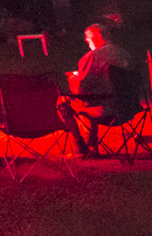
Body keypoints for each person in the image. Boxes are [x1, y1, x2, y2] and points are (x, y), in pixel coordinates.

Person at [58, 22, 136, 155]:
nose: (85, 40)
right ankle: (92, 148)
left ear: (98, 36)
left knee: (64, 103)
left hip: (105, 111)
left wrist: (72, 78)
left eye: (87, 37)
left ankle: (81, 147)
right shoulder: (125, 54)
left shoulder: (92, 56)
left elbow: (81, 89)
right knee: (91, 100)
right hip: (128, 107)